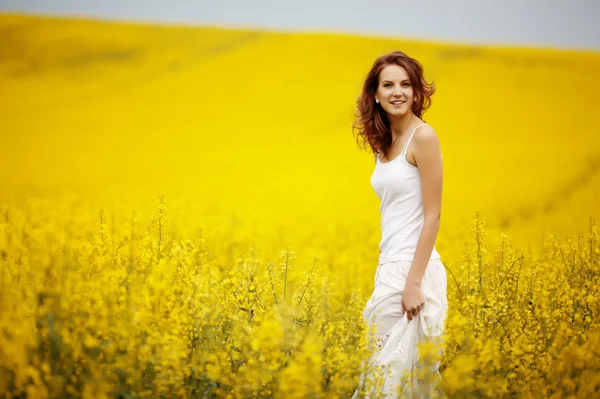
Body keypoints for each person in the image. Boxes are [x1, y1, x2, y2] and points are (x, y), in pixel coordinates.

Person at [351, 50, 448, 398]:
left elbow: (432, 215)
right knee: (380, 381)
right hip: (389, 269)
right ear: (375, 93)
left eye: (406, 84)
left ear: (417, 91)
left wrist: (414, 283)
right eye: (388, 84)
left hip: (414, 272)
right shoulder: (385, 144)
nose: (398, 92)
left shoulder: (423, 137)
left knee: (398, 383)